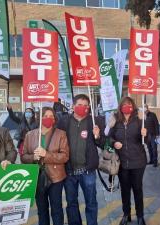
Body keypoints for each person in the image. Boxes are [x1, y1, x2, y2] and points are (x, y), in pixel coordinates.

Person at [58, 94, 105, 225]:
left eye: (85, 106)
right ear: (73, 106)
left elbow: (103, 144)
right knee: (71, 203)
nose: (82, 108)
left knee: (91, 202)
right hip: (69, 171)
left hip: (88, 171)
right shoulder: (64, 121)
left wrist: (98, 135)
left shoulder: (94, 121)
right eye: (79, 105)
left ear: (89, 107)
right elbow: (57, 142)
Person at [21, 107, 69, 225]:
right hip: (37, 177)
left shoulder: (61, 134)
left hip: (55, 177)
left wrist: (46, 154)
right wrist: (33, 157)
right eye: (45, 116)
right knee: (42, 210)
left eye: (51, 116)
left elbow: (65, 156)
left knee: (56, 209)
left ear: (55, 119)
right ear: (39, 118)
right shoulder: (29, 135)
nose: (48, 119)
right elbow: (23, 157)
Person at [109, 97, 147, 225]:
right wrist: (114, 143)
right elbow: (109, 138)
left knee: (137, 189)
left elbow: (149, 140)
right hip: (122, 162)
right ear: (120, 107)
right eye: (124, 104)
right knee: (125, 190)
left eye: (129, 104)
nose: (127, 106)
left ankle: (140, 216)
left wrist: (145, 135)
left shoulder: (139, 119)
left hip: (138, 162)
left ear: (133, 106)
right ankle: (126, 214)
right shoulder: (116, 120)